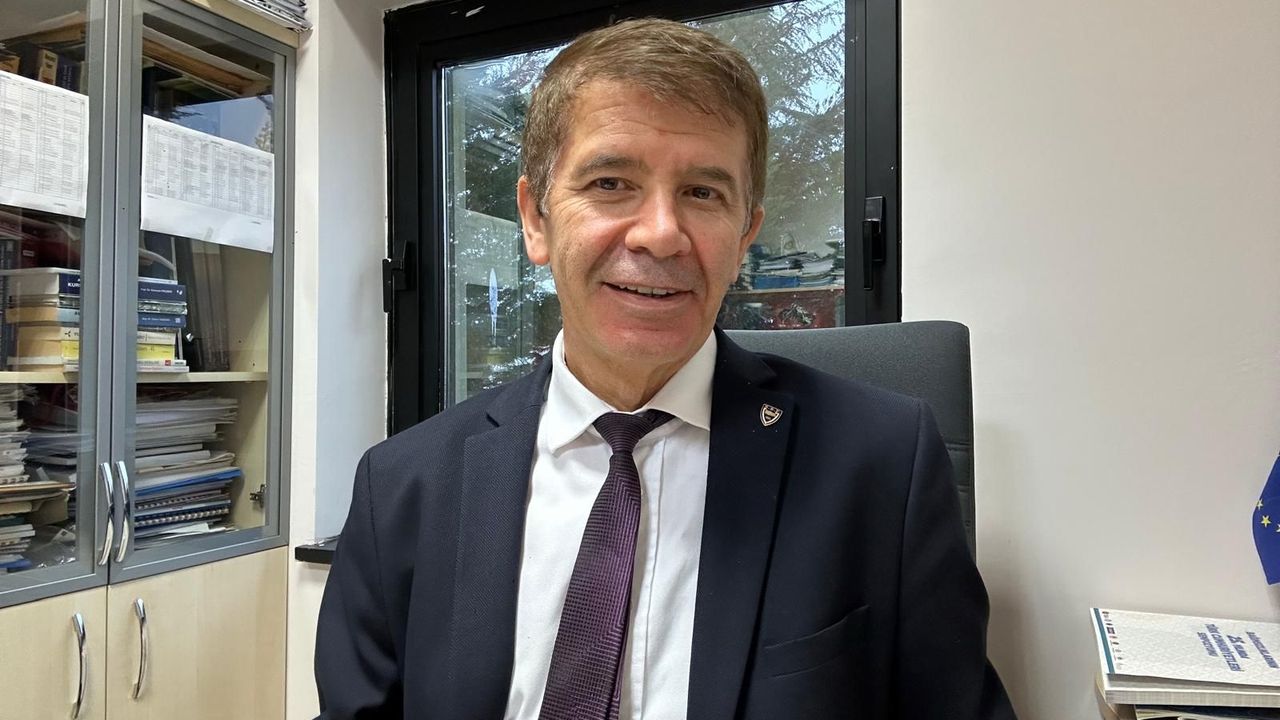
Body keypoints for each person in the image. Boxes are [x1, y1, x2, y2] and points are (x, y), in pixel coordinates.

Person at [315, 17, 1016, 720]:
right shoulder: (401, 487)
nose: (660, 234)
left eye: (703, 193)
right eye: (611, 182)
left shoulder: (883, 464)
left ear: (744, 235)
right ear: (536, 219)